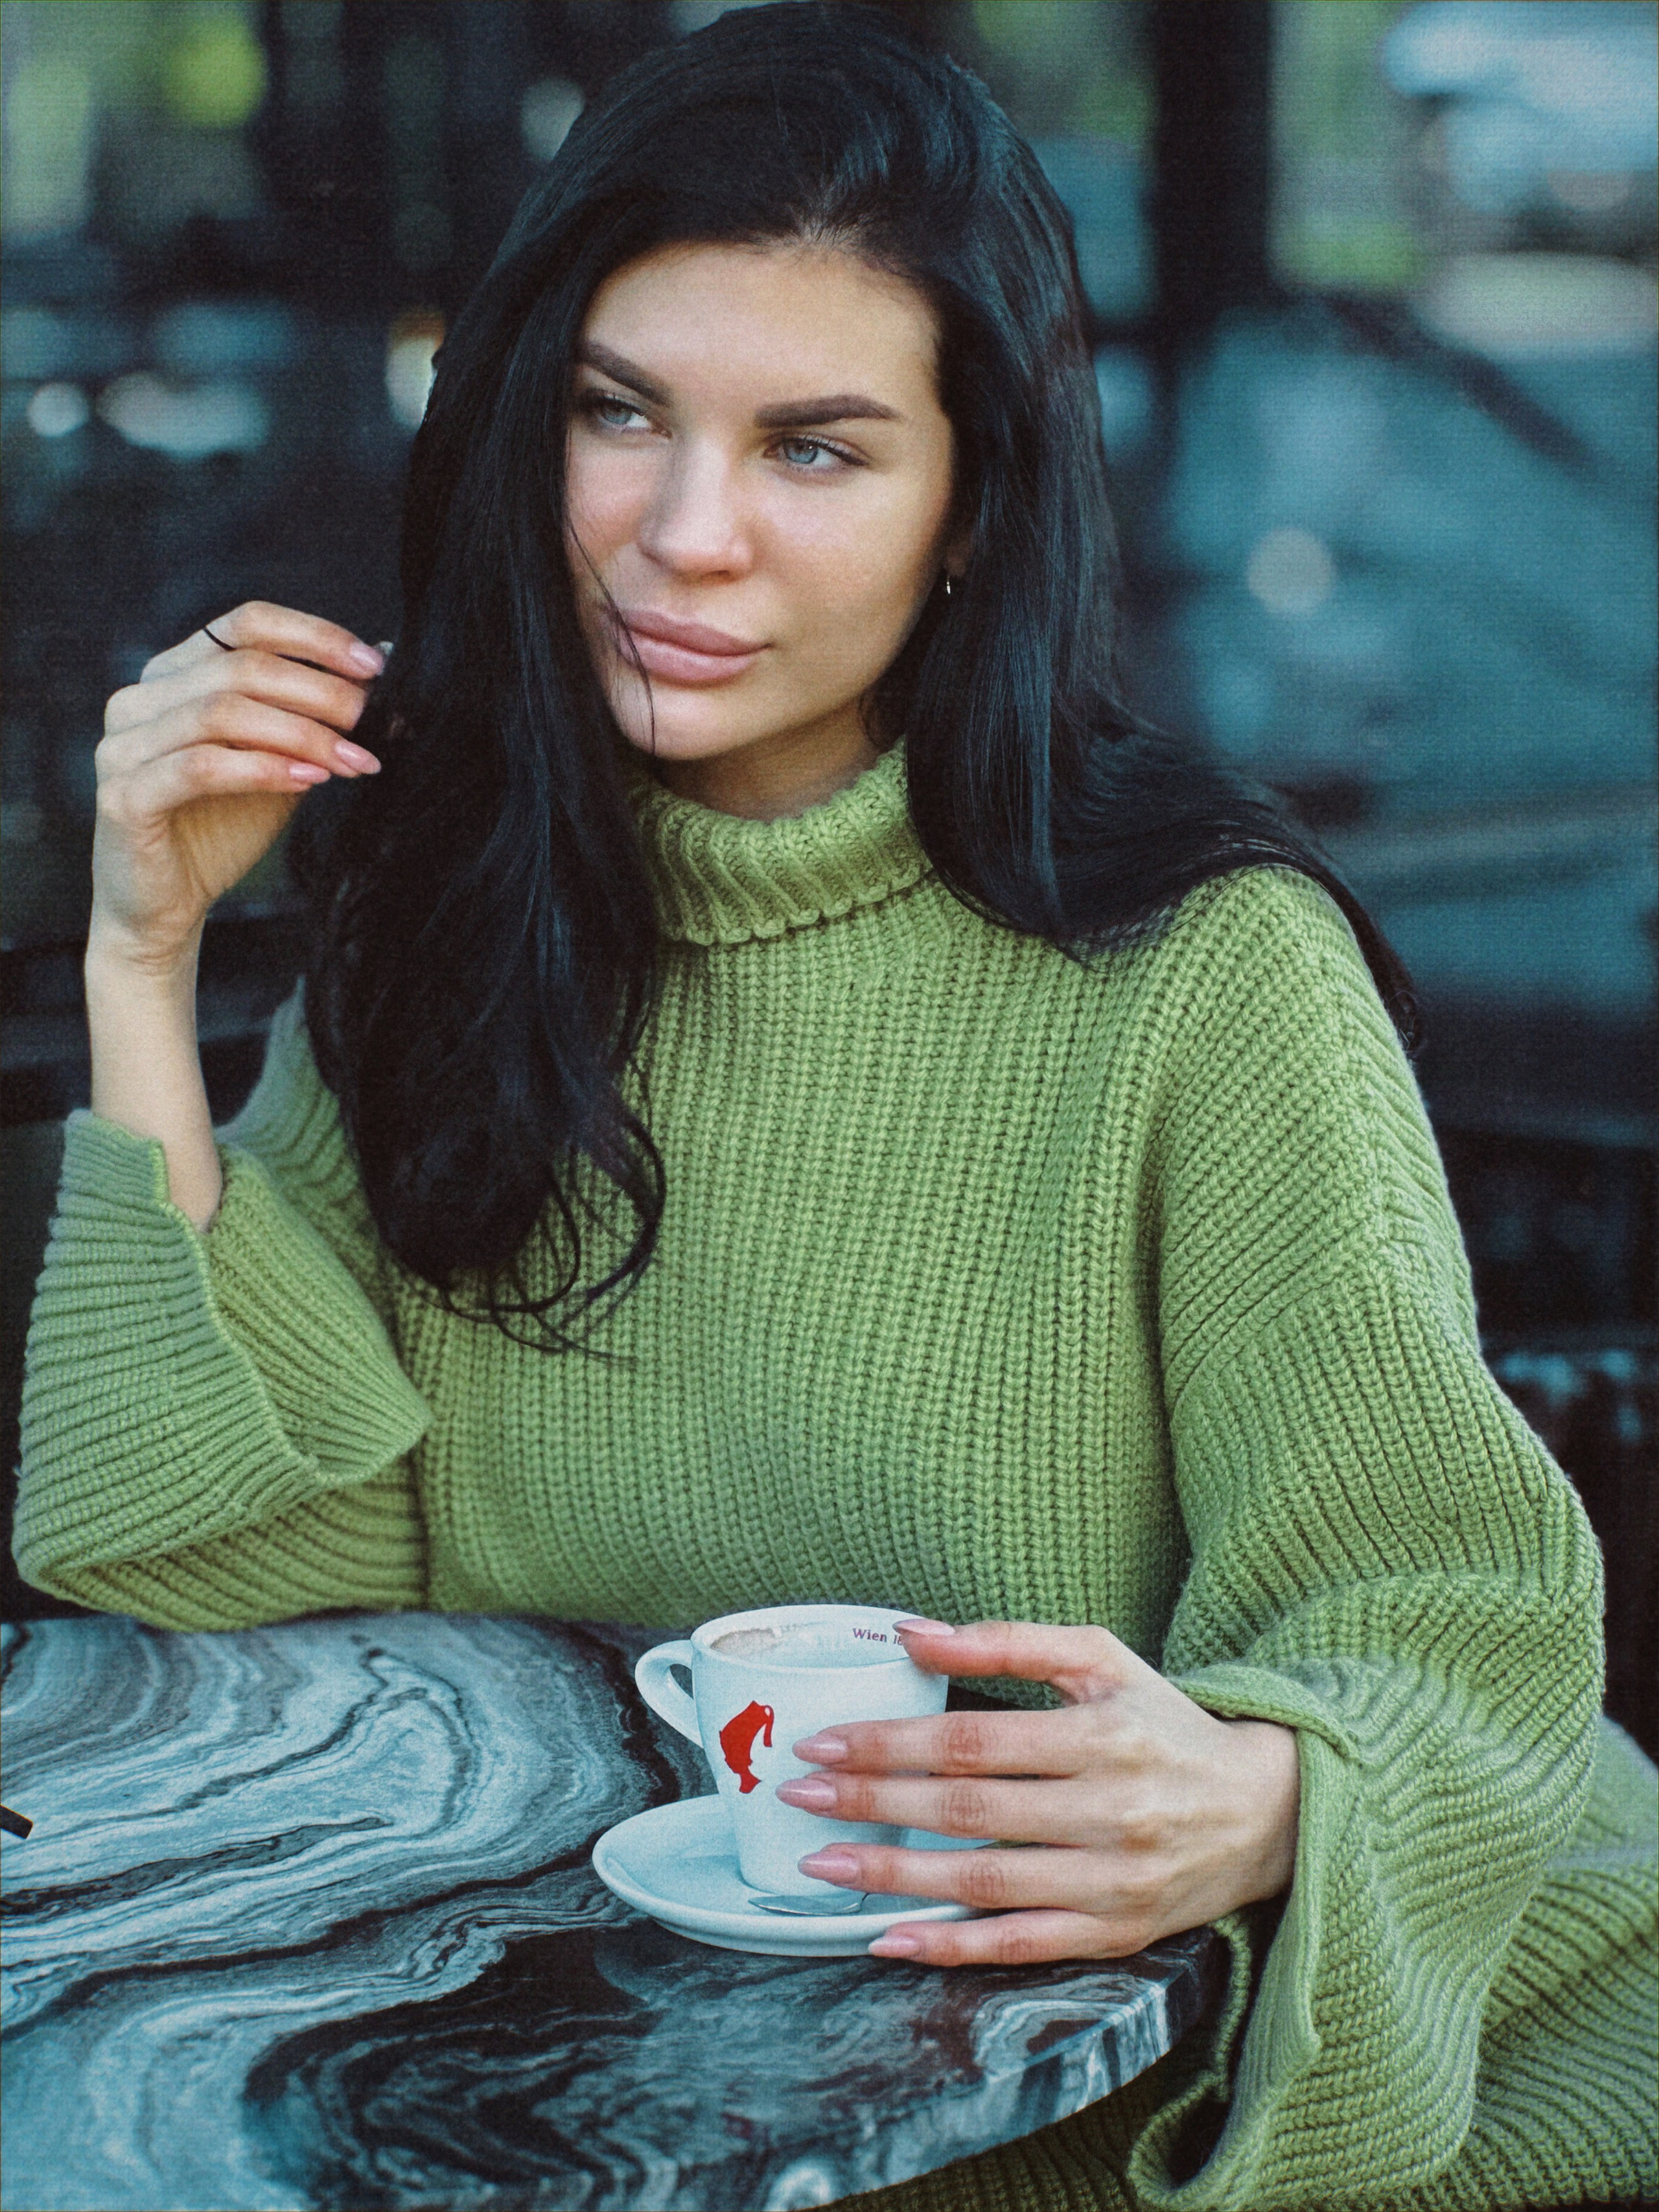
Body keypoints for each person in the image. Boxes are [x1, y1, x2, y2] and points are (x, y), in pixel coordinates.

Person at [14, 8, 1653, 2209]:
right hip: (638, 2109)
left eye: (816, 448)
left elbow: (1452, 1612)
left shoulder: (1199, 962)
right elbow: (240, 1591)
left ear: (970, 503)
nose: (685, 537)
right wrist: (146, 965)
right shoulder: (457, 911)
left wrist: (1276, 1795)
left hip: (1257, 2092)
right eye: (625, 414)